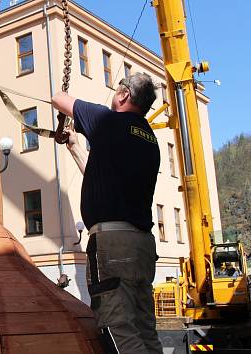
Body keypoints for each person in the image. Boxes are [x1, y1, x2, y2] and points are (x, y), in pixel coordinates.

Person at [52, 72, 163, 353]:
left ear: (124, 95)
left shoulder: (107, 120)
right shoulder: (150, 139)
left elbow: (58, 98)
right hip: (141, 246)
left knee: (117, 329)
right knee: (144, 329)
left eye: (117, 90)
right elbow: (103, 178)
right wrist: (76, 145)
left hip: (112, 247)